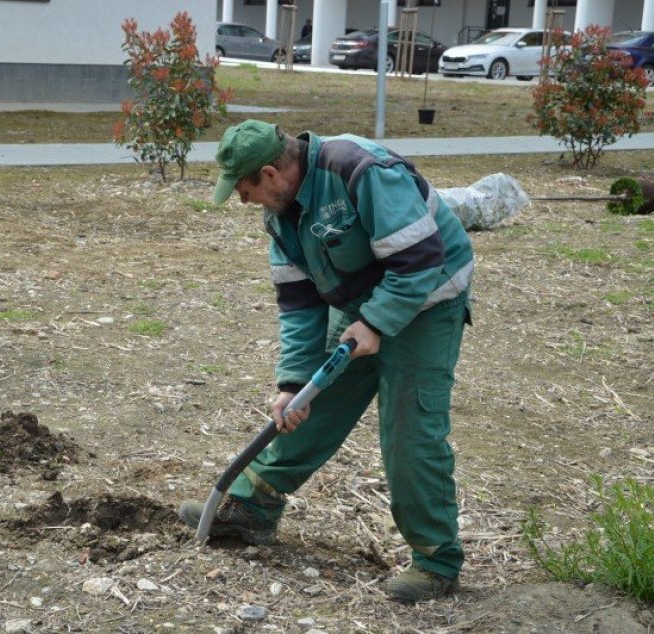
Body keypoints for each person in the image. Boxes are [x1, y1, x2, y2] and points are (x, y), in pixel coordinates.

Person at [178, 120, 474, 603]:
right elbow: (298, 304)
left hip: (429, 299)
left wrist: (376, 324)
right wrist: (293, 383)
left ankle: (436, 561)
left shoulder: (361, 171)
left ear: (271, 174)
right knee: (312, 403)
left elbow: (420, 260)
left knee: (409, 431)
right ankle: (254, 508)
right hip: (364, 304)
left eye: (245, 190)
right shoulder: (281, 213)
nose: (244, 202)